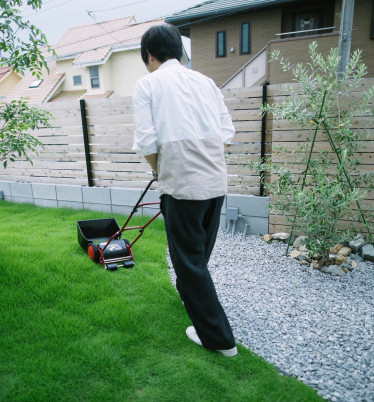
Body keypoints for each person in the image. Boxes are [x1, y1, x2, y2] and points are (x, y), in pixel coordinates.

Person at [132, 24, 237, 357]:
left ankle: (219, 339)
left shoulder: (147, 84)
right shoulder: (205, 82)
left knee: (188, 262)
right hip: (215, 181)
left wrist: (159, 170)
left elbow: (147, 142)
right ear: (178, 50)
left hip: (181, 186)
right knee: (199, 253)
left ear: (148, 55)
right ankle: (190, 294)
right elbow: (226, 132)